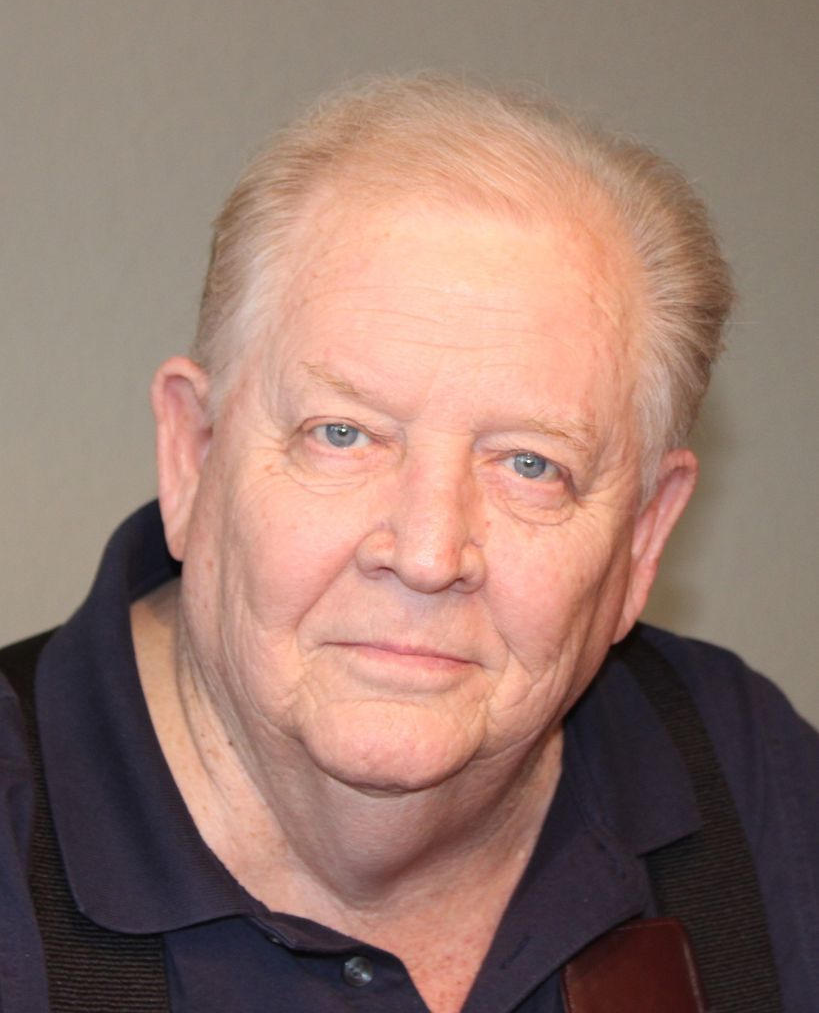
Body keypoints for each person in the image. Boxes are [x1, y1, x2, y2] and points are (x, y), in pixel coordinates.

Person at [1, 74, 816, 1013]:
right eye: (343, 435)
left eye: (530, 465)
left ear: (642, 537)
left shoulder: (750, 788)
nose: (428, 556)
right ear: (193, 453)